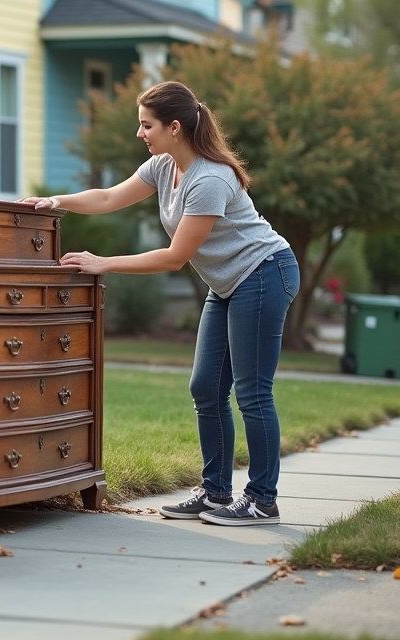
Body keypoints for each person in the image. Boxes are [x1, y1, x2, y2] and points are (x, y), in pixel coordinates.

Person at [22, 80, 299, 526]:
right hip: (229, 283)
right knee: (205, 388)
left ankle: (262, 500)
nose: (140, 134)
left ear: (174, 127)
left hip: (263, 274)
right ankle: (215, 493)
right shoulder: (164, 165)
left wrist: (103, 262)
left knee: (252, 391)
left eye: (145, 125)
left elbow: (175, 258)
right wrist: (57, 202)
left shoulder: (210, 178)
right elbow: (111, 196)